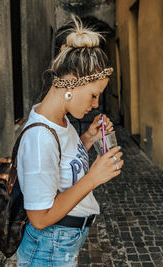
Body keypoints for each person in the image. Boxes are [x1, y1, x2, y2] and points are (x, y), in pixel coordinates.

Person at [17, 15, 124, 267]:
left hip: (61, 247)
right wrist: (93, 178)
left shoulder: (60, 120)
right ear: (73, 83)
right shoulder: (39, 137)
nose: (95, 104)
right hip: (48, 253)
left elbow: (63, 164)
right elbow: (40, 218)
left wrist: (88, 138)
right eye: (94, 95)